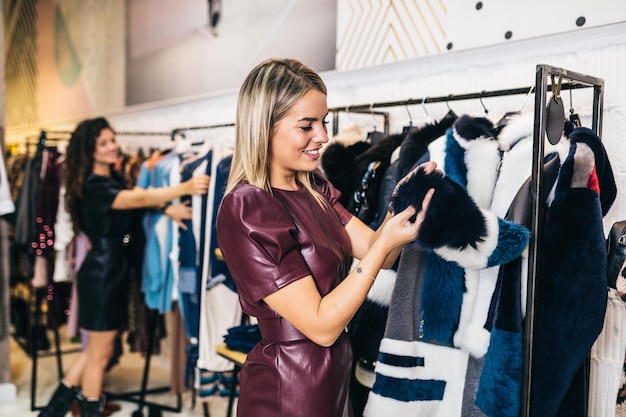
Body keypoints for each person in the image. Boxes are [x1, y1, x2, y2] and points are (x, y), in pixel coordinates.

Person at [216, 57, 435, 417]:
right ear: (264, 128)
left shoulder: (314, 187)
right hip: (289, 384)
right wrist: (382, 245)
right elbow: (321, 326)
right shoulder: (248, 208)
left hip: (332, 372)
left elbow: (378, 251)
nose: (323, 137)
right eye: (307, 126)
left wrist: (405, 202)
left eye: (324, 122)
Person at [38, 117, 210, 417]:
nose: (112, 147)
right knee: (99, 355)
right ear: (88, 150)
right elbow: (137, 197)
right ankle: (86, 411)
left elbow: (136, 201)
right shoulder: (93, 184)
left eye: (112, 140)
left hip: (109, 271)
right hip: (102, 274)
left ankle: (52, 412)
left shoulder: (110, 179)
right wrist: (182, 187)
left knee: (95, 352)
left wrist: (166, 208)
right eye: (102, 143)